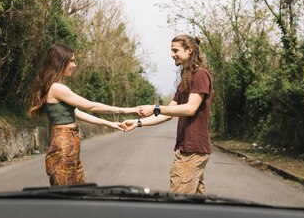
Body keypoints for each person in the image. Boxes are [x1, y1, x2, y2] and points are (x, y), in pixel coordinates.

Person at [28, 43, 139, 186]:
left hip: (70, 144)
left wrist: (111, 124)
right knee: (67, 194)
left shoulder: (56, 87)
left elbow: (77, 113)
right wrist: (127, 110)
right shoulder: (57, 88)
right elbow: (90, 105)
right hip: (64, 145)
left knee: (78, 190)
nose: (74, 65)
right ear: (60, 62)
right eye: (72, 61)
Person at [123, 34, 214, 195]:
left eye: (175, 50)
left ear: (189, 50)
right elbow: (168, 113)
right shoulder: (186, 79)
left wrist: (156, 107)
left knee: (178, 200)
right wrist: (138, 123)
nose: (172, 54)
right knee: (196, 204)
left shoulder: (201, 75)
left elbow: (190, 109)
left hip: (193, 149)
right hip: (187, 148)